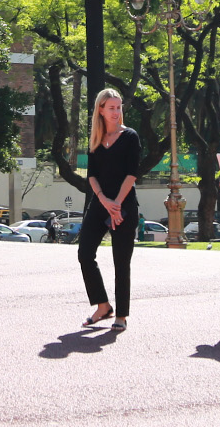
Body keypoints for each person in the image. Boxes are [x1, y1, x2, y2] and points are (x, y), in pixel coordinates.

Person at [76, 88, 139, 333]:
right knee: (84, 254)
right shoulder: (95, 139)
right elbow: (91, 176)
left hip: (124, 206)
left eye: (119, 107)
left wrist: (117, 205)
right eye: (111, 108)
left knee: (121, 262)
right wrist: (104, 200)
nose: (116, 112)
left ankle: (121, 315)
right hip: (100, 205)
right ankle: (103, 305)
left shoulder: (130, 136)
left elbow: (132, 174)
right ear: (100, 110)